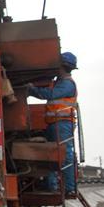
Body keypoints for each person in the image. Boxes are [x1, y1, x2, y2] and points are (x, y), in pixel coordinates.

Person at [27, 51, 78, 194]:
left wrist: (31, 89)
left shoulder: (67, 84)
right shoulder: (59, 83)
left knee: (65, 156)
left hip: (62, 124)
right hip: (54, 124)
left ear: (61, 66)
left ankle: (69, 188)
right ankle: (52, 185)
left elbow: (49, 94)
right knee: (52, 155)